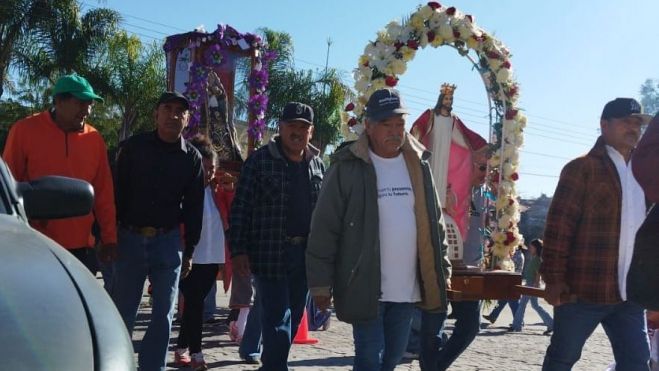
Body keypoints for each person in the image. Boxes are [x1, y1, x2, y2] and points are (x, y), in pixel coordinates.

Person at [306, 88, 452, 371]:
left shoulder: (418, 164)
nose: (395, 131)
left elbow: (435, 223)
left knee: (393, 359)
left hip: (407, 290)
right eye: (387, 124)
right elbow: (325, 227)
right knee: (369, 359)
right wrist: (320, 284)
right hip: (364, 285)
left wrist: (442, 269)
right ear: (369, 126)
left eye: (400, 124)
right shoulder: (348, 165)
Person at [541, 97, 652, 370]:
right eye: (626, 121)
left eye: (638, 123)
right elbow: (558, 227)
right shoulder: (582, 168)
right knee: (562, 359)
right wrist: (553, 279)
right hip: (583, 290)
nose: (634, 128)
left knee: (637, 363)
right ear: (604, 125)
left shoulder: (645, 173)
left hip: (630, 295)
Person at [112, 91, 205, 371]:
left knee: (163, 313)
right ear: (156, 114)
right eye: (167, 108)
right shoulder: (133, 148)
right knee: (122, 312)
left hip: (168, 242)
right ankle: (117, 363)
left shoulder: (192, 159)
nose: (173, 115)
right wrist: (107, 236)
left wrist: (189, 251)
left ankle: (152, 367)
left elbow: (193, 209)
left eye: (181, 111)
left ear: (187, 120)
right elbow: (116, 193)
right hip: (128, 238)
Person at [229, 102, 325, 371]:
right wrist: (238, 251)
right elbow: (240, 209)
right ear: (280, 127)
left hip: (305, 256)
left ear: (311, 131)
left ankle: (271, 364)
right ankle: (275, 367)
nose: (297, 132)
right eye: (292, 125)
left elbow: (326, 215)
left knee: (293, 317)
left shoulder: (317, 165)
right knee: (276, 318)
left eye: (303, 127)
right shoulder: (259, 161)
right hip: (268, 254)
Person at [2, 73, 117, 272]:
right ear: (58, 101)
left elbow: (103, 192)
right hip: (34, 244)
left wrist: (109, 238)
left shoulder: (94, 139)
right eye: (80, 103)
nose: (87, 110)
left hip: (82, 249)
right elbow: (8, 188)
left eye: (90, 104)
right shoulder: (24, 130)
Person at [418, 151, 489, 371]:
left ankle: (437, 367)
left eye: (489, 169)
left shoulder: (486, 195)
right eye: (481, 168)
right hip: (444, 267)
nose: (486, 174)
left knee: (470, 327)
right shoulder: (448, 190)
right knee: (432, 328)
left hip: (472, 271)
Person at [174, 135, 234, 370]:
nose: (208, 173)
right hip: (192, 256)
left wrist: (229, 190)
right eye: (204, 167)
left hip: (213, 255)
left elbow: (230, 214)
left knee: (194, 303)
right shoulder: (184, 192)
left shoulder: (216, 191)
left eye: (212, 168)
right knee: (195, 304)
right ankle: (196, 354)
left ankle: (181, 349)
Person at [410, 83, 487, 241]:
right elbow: (418, 129)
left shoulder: (453, 120)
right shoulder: (431, 114)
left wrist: (479, 146)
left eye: (450, 99)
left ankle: (443, 210)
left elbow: (463, 138)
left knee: (443, 184)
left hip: (445, 159)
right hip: (432, 154)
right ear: (440, 99)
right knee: (430, 179)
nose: (448, 101)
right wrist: (416, 136)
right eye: (446, 98)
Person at [509, 239, 553, 334]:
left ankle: (517, 325)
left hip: (531, 284)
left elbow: (538, 273)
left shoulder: (537, 259)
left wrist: (535, 285)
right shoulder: (535, 258)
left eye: (531, 247)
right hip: (530, 284)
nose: (529, 249)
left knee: (523, 305)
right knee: (534, 305)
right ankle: (551, 324)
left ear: (536, 248)